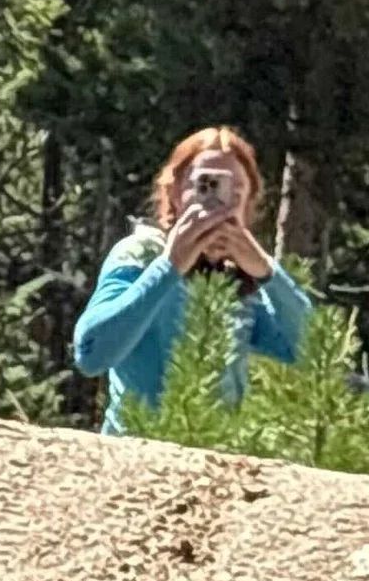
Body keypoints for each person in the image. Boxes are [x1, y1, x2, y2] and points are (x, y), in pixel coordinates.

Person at [72, 127, 310, 433]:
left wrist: (266, 271)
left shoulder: (236, 281)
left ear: (250, 201)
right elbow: (91, 354)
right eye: (205, 185)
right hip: (134, 455)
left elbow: (308, 351)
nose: (219, 203)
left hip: (212, 460)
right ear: (174, 192)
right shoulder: (141, 254)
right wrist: (169, 267)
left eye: (234, 192)